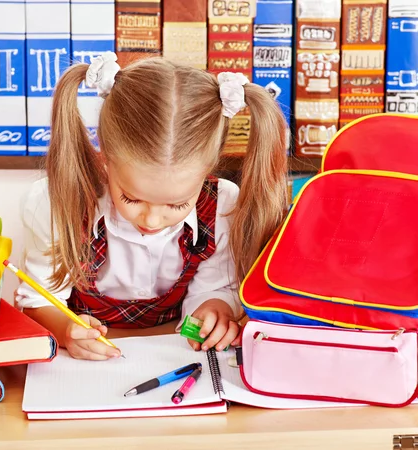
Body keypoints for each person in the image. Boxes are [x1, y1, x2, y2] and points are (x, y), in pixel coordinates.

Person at [16, 52, 288, 361]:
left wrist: (214, 309)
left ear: (205, 173)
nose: (153, 219)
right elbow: (38, 302)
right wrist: (67, 330)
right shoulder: (57, 203)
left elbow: (211, 290)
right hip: (84, 363)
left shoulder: (223, 207)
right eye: (131, 198)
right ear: (106, 158)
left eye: (177, 204)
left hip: (172, 354)